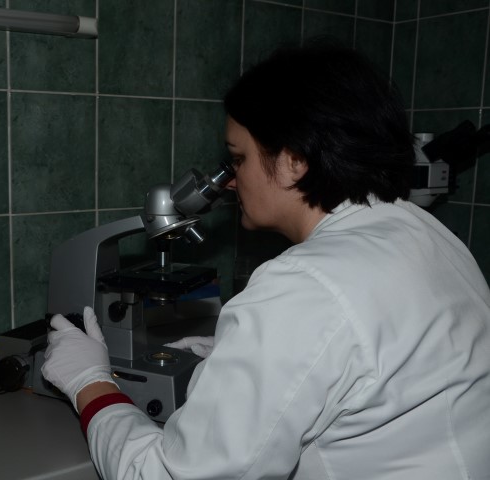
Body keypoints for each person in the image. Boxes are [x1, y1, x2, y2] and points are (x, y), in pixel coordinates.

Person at [41, 41, 490, 479]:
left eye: (238, 159)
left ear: (294, 160)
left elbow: (163, 474)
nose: (231, 182)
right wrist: (249, 356)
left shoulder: (303, 283)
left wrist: (91, 384)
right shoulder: (425, 232)